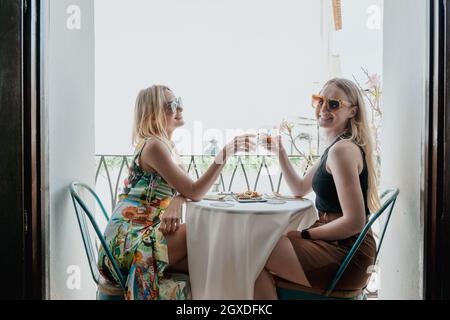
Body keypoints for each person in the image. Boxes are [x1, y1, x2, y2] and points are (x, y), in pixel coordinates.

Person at [98, 85, 255, 300]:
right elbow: (196, 191)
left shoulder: (167, 146)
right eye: (172, 105)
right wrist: (225, 152)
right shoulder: (154, 146)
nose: (180, 108)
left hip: (140, 233)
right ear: (154, 116)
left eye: (179, 101)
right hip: (128, 241)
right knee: (203, 230)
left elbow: (189, 190)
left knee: (214, 265)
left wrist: (177, 201)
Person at [255, 78, 380, 299]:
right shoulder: (336, 147)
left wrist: (305, 234)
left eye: (333, 104)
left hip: (347, 253)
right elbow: (300, 187)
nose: (323, 108)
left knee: (254, 253)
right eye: (319, 101)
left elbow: (354, 222)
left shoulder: (341, 151)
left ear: (352, 111)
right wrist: (281, 153)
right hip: (340, 245)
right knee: (254, 257)